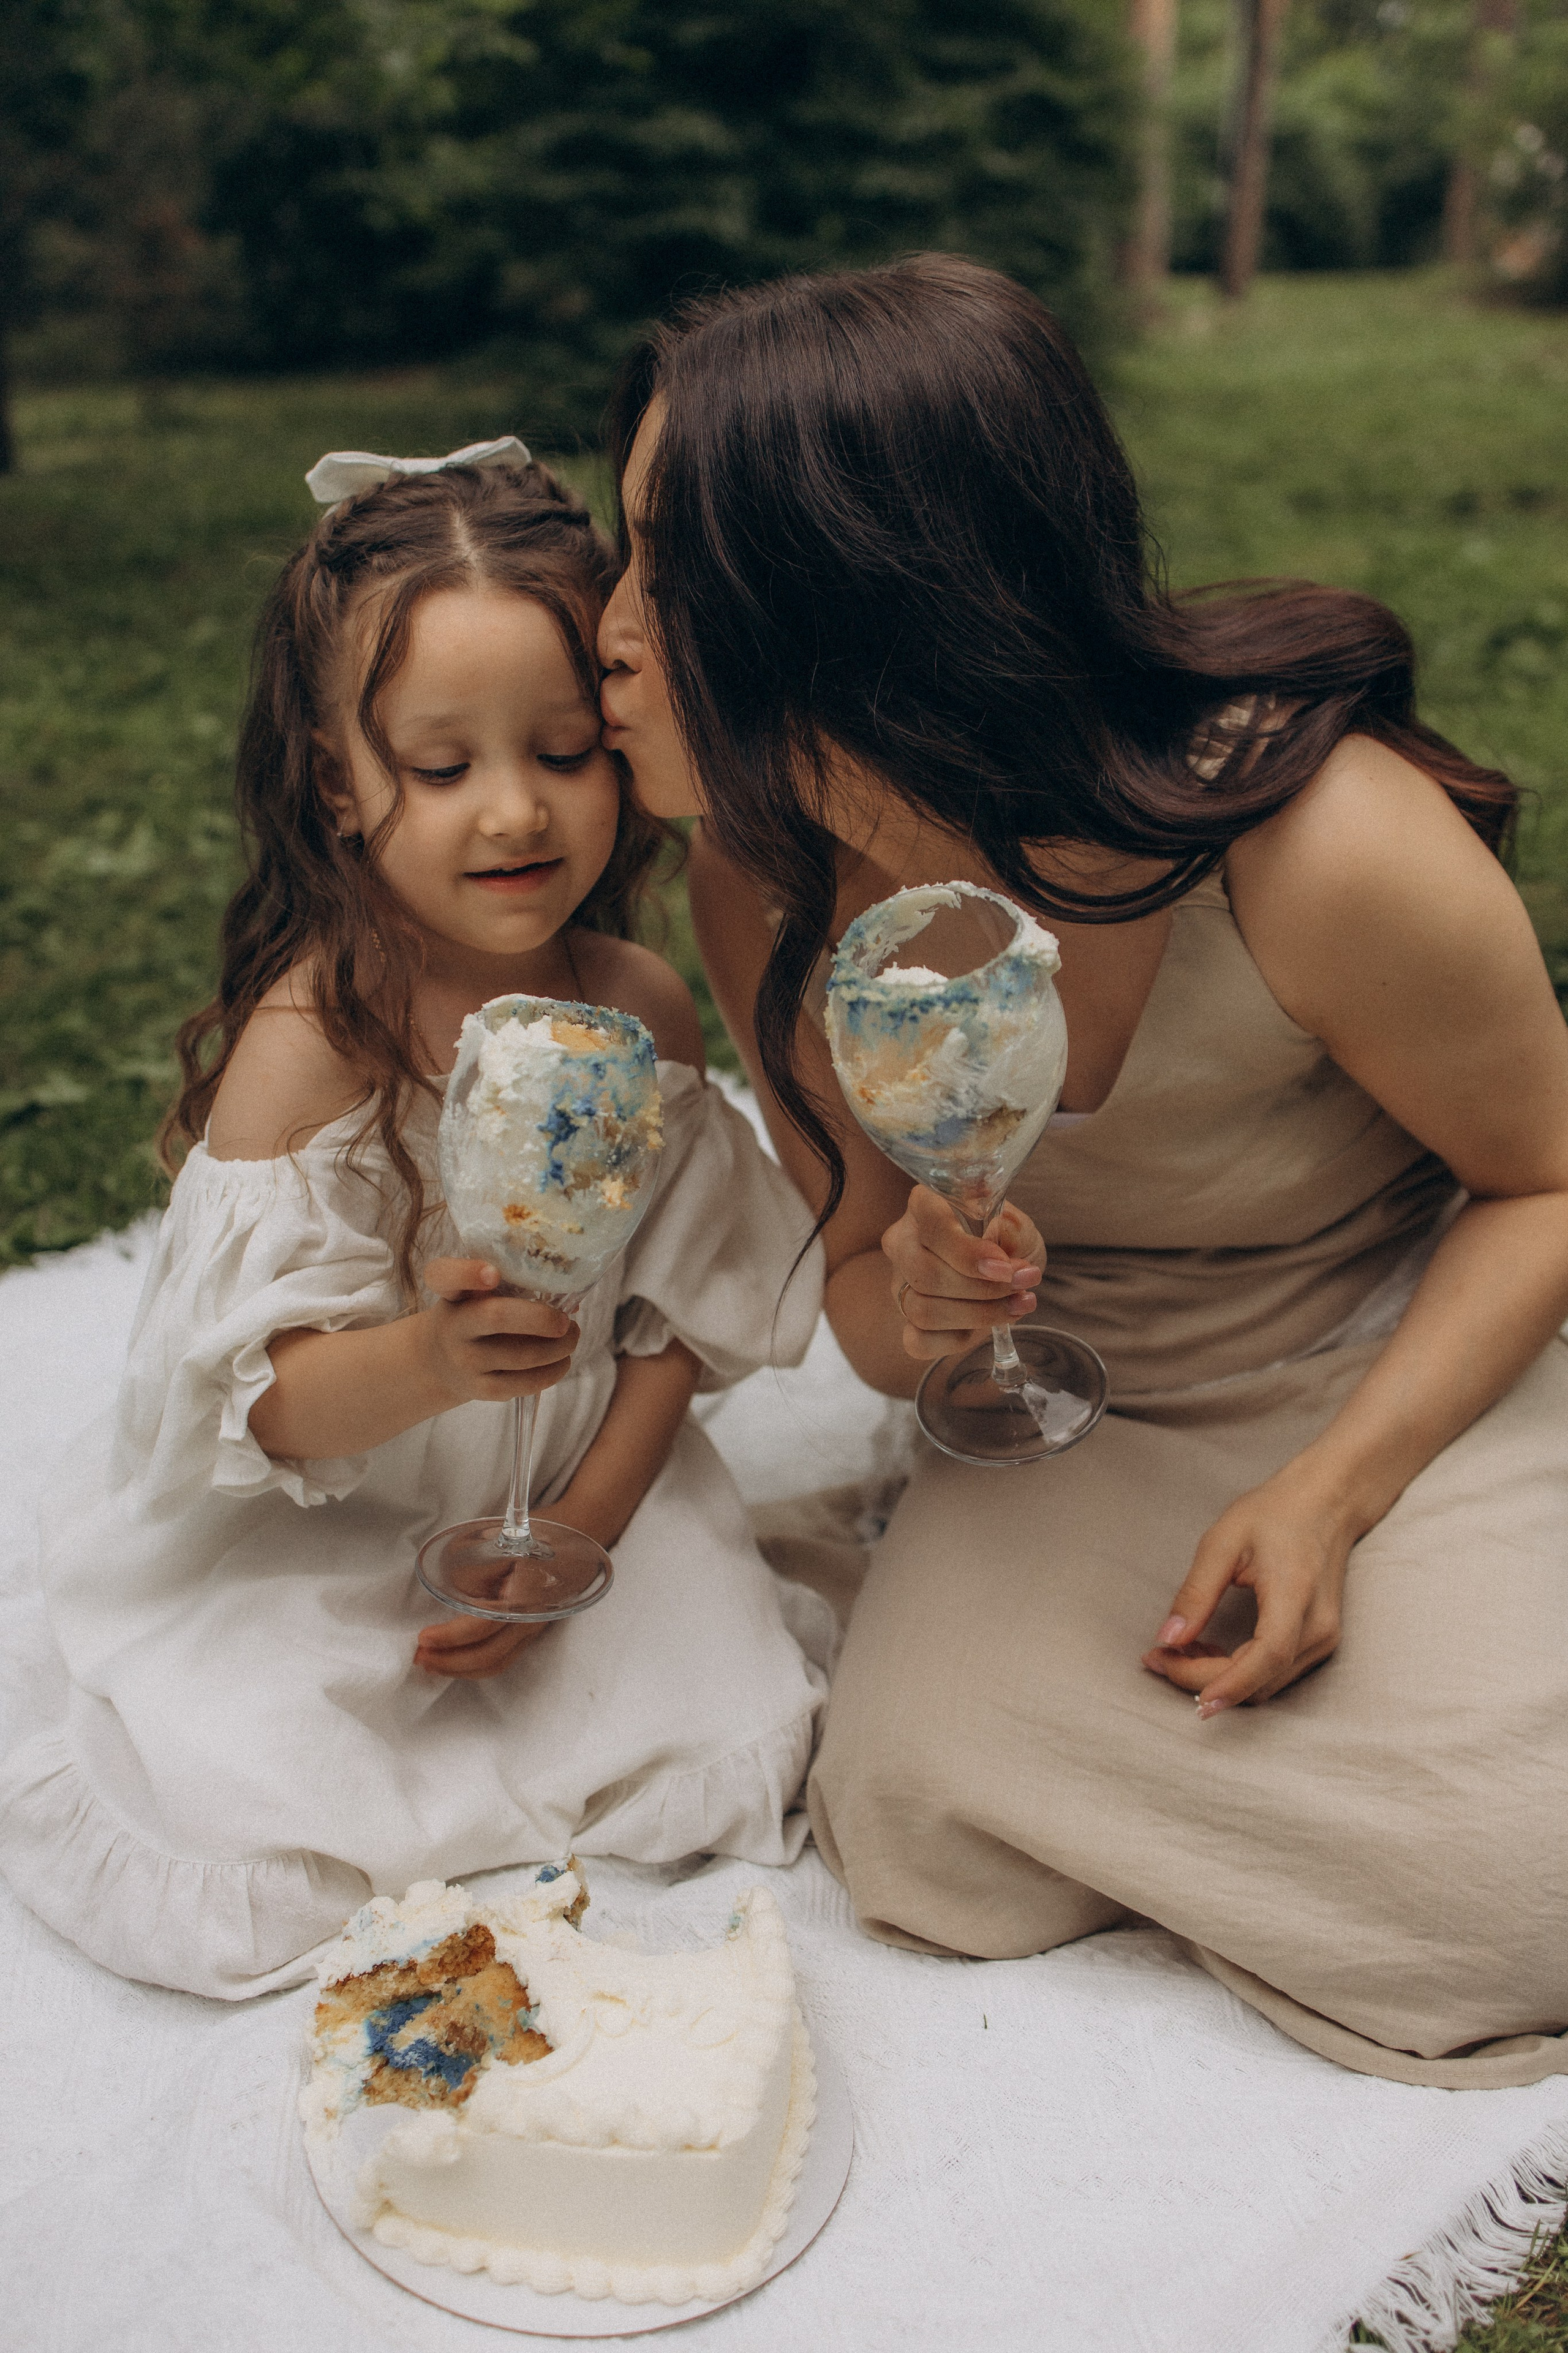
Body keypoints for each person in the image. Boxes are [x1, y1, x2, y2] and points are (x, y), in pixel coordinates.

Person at [596, 255, 1568, 2088]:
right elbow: (876, 1319)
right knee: (905, 1817)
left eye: (666, 568)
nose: (609, 625)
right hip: (1067, 1400)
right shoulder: (762, 881)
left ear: (850, 595)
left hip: (1388, 1356)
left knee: (1513, 1883)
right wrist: (928, 1309)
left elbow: (1548, 1185)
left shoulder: (1328, 845)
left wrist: (1338, 1496)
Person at [0, 444, 829, 2000]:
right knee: (258, 1802)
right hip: (346, 1509)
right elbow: (271, 1396)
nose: (513, 811)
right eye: (440, 769)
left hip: (574, 1486)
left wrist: (584, 1522)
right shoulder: (320, 1040)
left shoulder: (634, 1009)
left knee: (712, 1719)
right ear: (336, 780)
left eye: (565, 748)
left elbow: (667, 1331)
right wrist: (434, 1361)